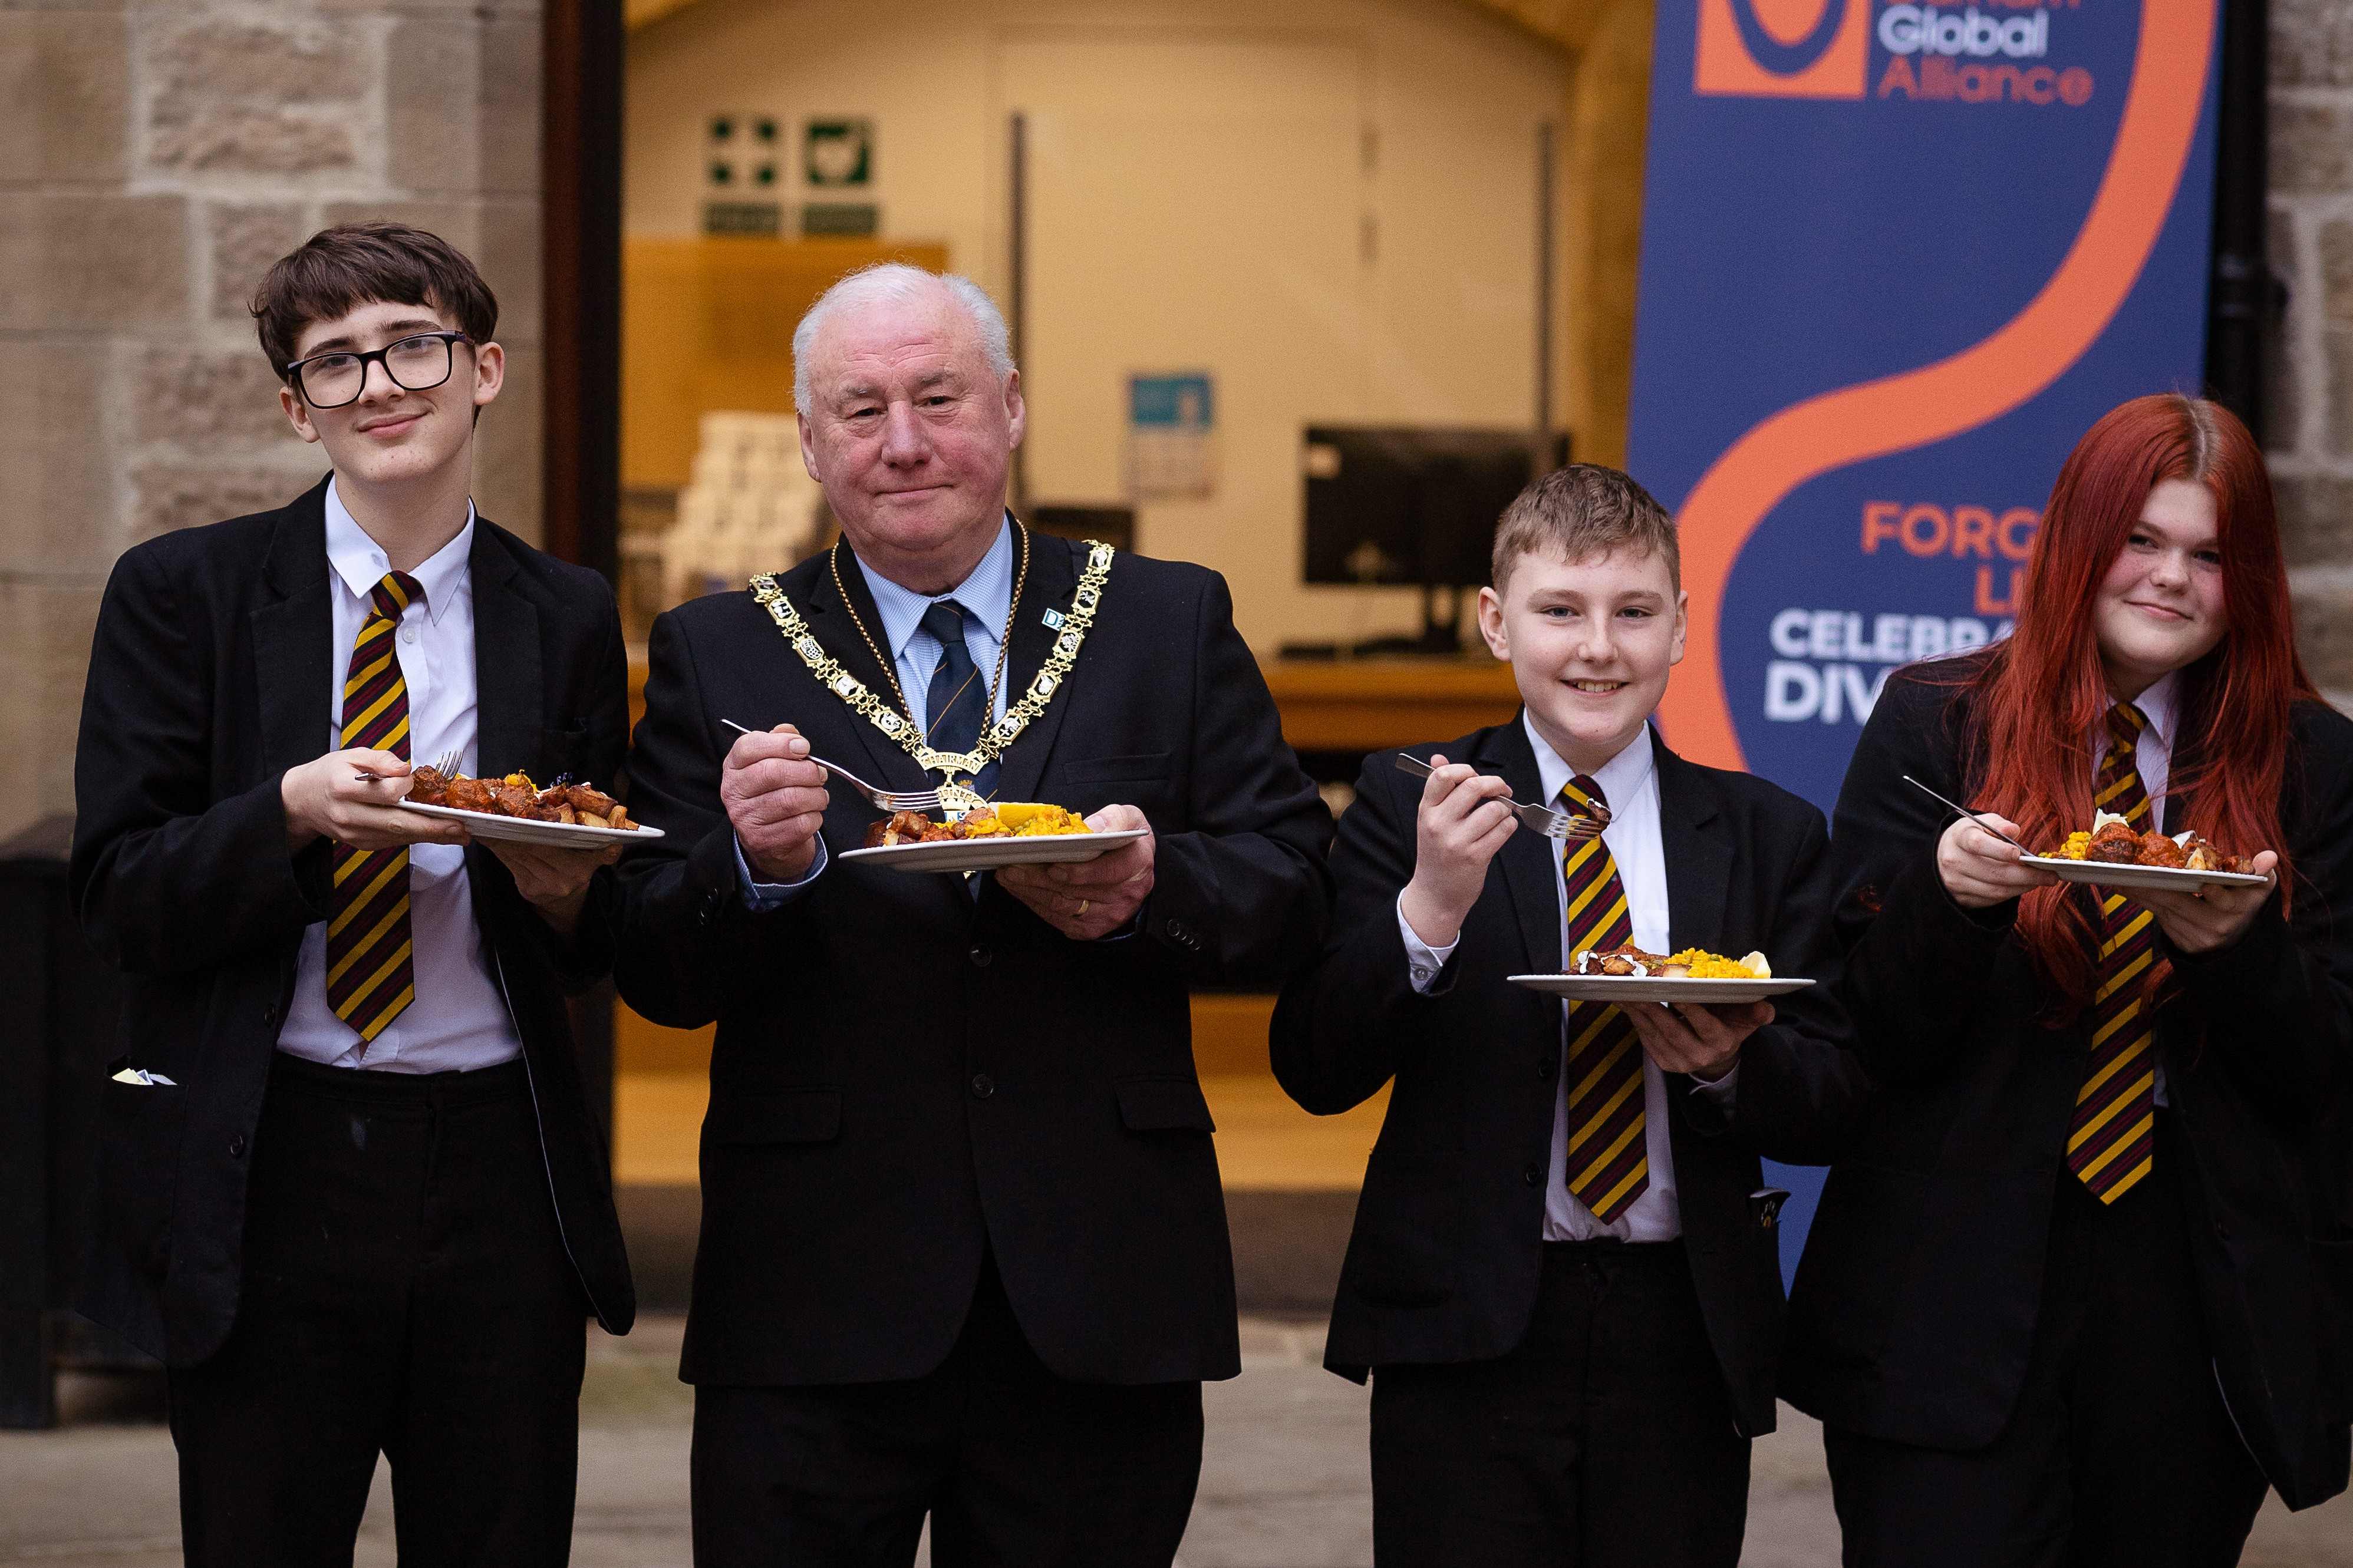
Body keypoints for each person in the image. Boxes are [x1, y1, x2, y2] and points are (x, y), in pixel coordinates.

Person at [614, 262, 1332, 1567]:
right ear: (810, 443)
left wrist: (1143, 886)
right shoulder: (721, 650)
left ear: (1007, 408)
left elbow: (1295, 889)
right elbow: (654, 961)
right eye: (861, 406)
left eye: (937, 396)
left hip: (1099, 1277)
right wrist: (755, 866)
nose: (903, 442)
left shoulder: (1163, 620)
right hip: (814, 1289)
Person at [69, 221, 635, 1567]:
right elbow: (118, 895)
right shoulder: (183, 593)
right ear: (294, 407)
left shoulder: (563, 611)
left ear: (484, 367)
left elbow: (594, 932)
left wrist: (562, 890)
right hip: (273, 1155)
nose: (381, 386)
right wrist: (289, 815)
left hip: (500, 1163)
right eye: (335, 363)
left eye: (413, 346)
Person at [1785, 392, 2353, 1565]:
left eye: (2207, 553)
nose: (2169, 578)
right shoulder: (1935, 721)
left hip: (2188, 1298)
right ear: (2076, 542)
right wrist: (1947, 902)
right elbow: (1857, 1034)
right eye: (2140, 539)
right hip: (1947, 1284)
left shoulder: (2313, 761)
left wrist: (2232, 950)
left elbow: (2324, 1075)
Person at [1269, 464, 1866, 1567]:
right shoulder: (1414, 803)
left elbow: (1836, 1096)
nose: (1599, 647)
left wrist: (1732, 1069)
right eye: (1561, 611)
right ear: (1498, 623)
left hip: (1682, 1325)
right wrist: (1429, 907)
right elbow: (1314, 1065)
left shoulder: (1768, 832)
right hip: (1466, 1322)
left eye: (1634, 612)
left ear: (1682, 628)